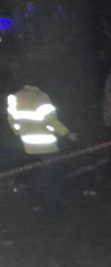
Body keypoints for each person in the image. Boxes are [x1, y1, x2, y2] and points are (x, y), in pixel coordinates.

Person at [6, 85, 77, 213]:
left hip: (28, 145)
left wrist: (20, 131)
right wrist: (67, 133)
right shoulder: (41, 97)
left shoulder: (15, 97)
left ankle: (39, 203)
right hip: (47, 146)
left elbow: (11, 120)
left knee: (37, 175)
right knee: (52, 176)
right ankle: (53, 206)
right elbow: (51, 121)